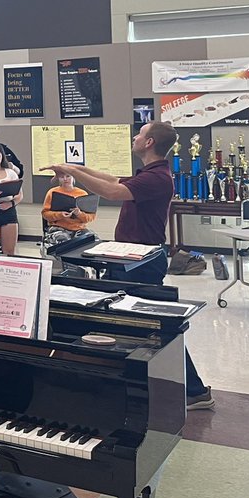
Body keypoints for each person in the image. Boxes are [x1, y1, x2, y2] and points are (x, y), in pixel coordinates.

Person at [44, 121, 213, 410]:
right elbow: (111, 179)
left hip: (142, 261)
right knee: (127, 321)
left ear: (149, 143)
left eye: (140, 134)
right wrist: (75, 168)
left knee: (157, 325)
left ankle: (195, 391)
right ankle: (133, 380)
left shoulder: (158, 178)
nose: (135, 137)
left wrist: (72, 172)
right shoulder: (150, 173)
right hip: (127, 258)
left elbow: (111, 193)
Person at [41, 171, 96, 236]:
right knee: (63, 239)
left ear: (73, 177)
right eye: (62, 177)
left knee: (91, 239)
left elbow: (90, 217)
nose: (65, 179)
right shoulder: (52, 192)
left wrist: (79, 214)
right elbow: (45, 214)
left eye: (68, 176)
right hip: (58, 228)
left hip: (78, 228)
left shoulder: (82, 194)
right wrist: (60, 215)